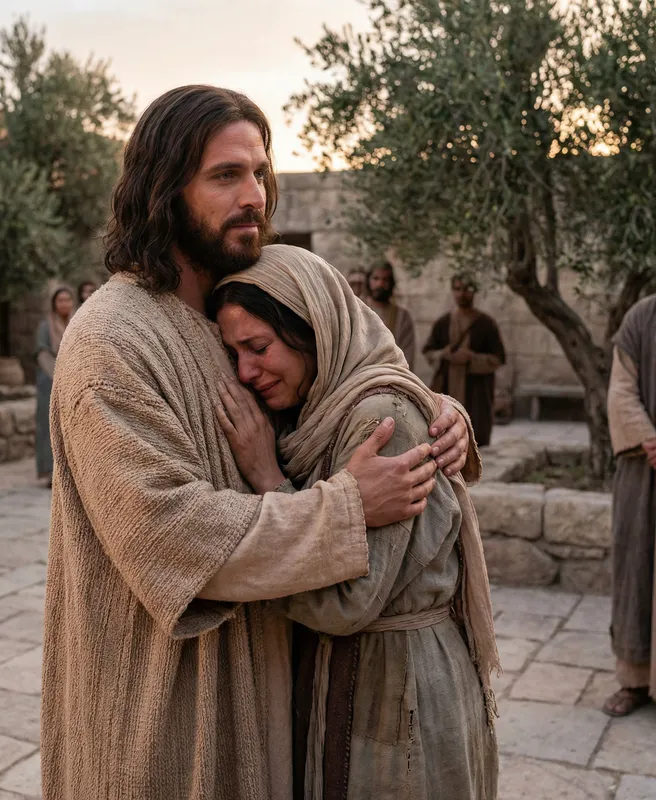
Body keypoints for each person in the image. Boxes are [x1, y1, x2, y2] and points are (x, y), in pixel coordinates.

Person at [41, 85, 477, 800]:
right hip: (165, 713)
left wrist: (438, 411)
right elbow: (167, 531)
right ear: (162, 189)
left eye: (259, 173)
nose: (254, 195)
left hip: (270, 696)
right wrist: (342, 509)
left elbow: (349, 376)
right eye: (224, 176)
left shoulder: (234, 304)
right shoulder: (110, 341)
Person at [211, 244, 498, 800]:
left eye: (259, 347)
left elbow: (347, 602)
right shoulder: (319, 411)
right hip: (356, 682)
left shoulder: (379, 419)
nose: (246, 372)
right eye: (233, 355)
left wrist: (269, 479)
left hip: (402, 690)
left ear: (314, 329)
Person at [604, 294, 656, 717]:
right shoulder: (642, 317)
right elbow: (620, 390)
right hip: (644, 474)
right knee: (636, 571)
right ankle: (635, 681)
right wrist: (647, 438)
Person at [423, 276, 506, 447]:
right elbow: (429, 352)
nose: (462, 294)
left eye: (467, 289)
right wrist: (444, 355)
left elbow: (498, 358)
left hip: (477, 392)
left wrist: (472, 359)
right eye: (458, 289)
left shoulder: (486, 324)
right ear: (453, 291)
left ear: (474, 292)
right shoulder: (443, 323)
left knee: (476, 441)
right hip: (447, 388)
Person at [35, 287, 74, 487]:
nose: (64, 304)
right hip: (49, 381)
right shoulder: (46, 326)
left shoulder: (77, 322)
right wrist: (56, 375)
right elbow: (42, 353)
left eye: (67, 300)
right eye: (60, 300)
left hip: (72, 380)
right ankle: (49, 471)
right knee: (47, 426)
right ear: (54, 303)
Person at [365, 259, 417, 370]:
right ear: (368, 281)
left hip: (391, 377)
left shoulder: (402, 317)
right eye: (376, 278)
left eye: (385, 280)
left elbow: (407, 357)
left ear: (391, 283)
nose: (380, 284)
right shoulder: (357, 311)